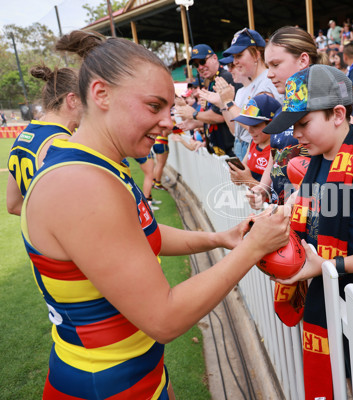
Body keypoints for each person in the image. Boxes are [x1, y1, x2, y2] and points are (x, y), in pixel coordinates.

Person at [24, 30, 290, 399]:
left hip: (135, 376)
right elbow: (164, 318)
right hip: (106, 386)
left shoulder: (99, 165)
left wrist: (221, 238)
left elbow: (142, 234)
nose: (170, 122)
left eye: (169, 108)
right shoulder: (81, 185)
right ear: (100, 94)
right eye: (154, 106)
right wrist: (251, 249)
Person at [263, 64, 353, 400]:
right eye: (294, 125)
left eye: (303, 123)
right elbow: (308, 216)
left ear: (338, 114)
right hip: (331, 303)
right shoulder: (318, 161)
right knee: (346, 384)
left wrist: (330, 267)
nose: (296, 133)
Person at [247, 26, 325, 208]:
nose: (269, 74)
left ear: (303, 60)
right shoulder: (285, 109)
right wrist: (262, 188)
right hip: (282, 216)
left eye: (275, 64)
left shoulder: (328, 108)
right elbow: (276, 156)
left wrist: (304, 196)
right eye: (267, 66)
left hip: (315, 218)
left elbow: (349, 165)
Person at [6, 64, 82, 216]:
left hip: (36, 239)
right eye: (87, 99)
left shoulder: (23, 136)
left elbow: (13, 205)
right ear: (72, 100)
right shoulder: (64, 144)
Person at [208, 28, 281, 160]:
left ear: (256, 55)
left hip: (260, 149)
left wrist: (229, 103)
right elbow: (235, 131)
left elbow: (254, 126)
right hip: (244, 145)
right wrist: (223, 104)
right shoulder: (249, 86)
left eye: (239, 55)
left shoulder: (267, 81)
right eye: (234, 57)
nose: (234, 62)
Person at [175, 44, 237, 157]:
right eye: (196, 65)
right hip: (220, 151)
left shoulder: (224, 78)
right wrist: (196, 123)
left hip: (231, 151)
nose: (200, 67)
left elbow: (221, 116)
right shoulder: (213, 81)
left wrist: (194, 114)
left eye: (202, 61)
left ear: (214, 58)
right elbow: (217, 116)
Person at [228, 94, 280, 187]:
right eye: (248, 125)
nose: (250, 130)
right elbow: (242, 174)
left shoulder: (279, 150)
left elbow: (275, 193)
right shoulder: (253, 142)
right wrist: (236, 176)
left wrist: (248, 180)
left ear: (271, 123)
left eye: (255, 126)